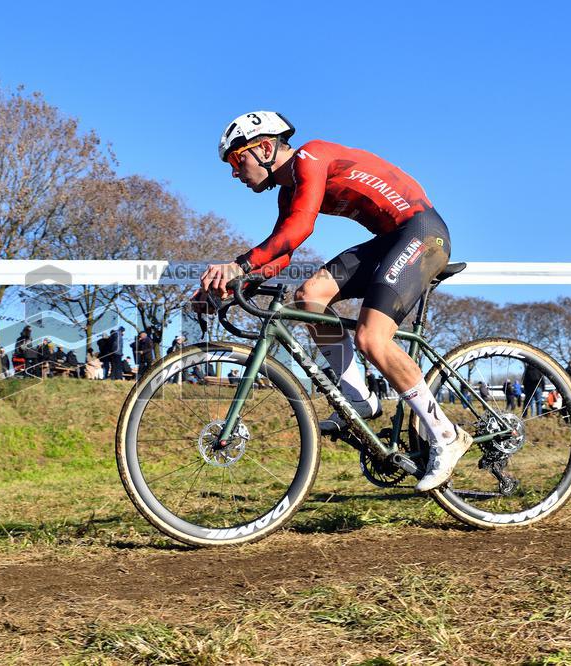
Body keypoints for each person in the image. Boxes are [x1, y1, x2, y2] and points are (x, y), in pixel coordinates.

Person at [199, 111, 467, 491]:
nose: (234, 172)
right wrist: (235, 282)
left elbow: (300, 227)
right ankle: (359, 399)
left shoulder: (311, 156)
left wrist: (239, 264)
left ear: (264, 148)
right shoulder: (289, 190)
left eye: (236, 159)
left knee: (372, 338)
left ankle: (445, 434)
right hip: (389, 241)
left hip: (421, 233)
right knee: (309, 297)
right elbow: (281, 255)